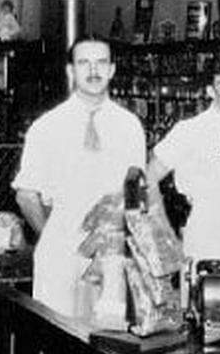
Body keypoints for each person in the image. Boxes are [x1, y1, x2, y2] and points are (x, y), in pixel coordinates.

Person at [13, 36, 145, 316]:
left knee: (107, 341)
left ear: (112, 70)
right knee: (56, 339)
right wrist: (56, 239)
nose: (93, 71)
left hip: (111, 254)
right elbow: (26, 195)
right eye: (84, 63)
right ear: (71, 71)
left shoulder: (129, 126)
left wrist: (109, 244)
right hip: (59, 250)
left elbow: (135, 193)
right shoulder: (46, 127)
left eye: (101, 63)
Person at [146, 55, 220, 271]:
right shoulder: (188, 131)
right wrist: (163, 231)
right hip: (203, 238)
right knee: (203, 300)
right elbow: (149, 177)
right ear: (211, 91)